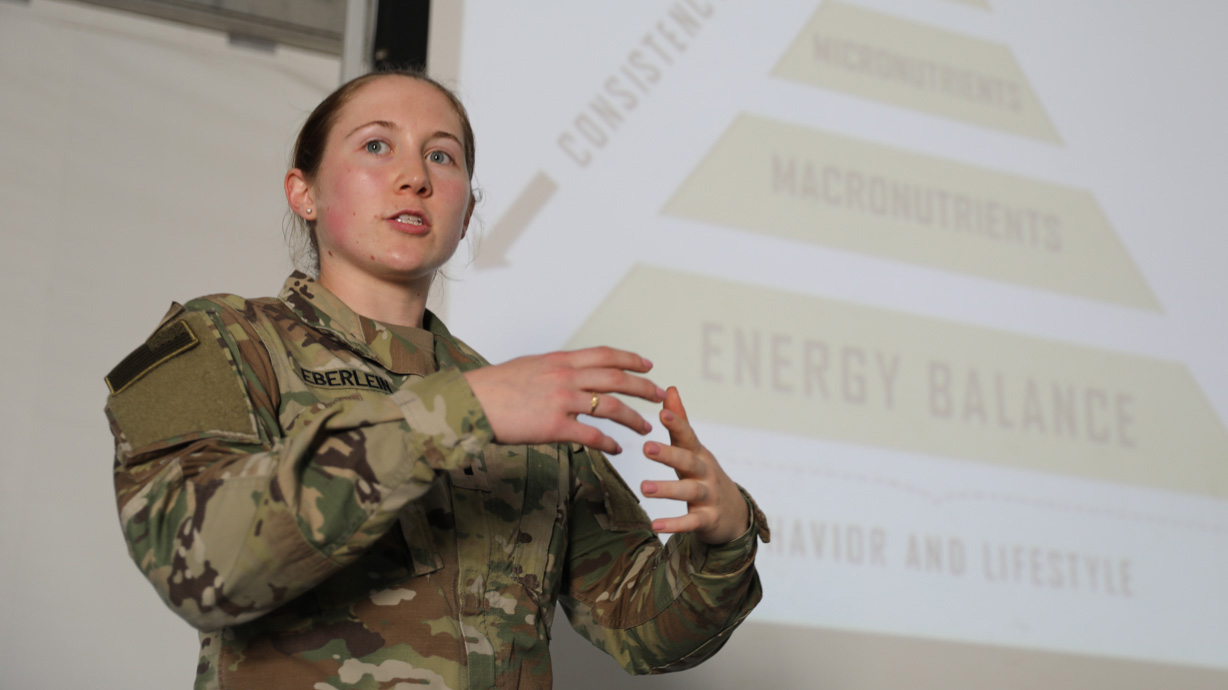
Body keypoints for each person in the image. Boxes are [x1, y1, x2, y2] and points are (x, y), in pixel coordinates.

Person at [104, 69, 769, 690]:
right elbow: (197, 565)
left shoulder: (522, 399)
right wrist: (453, 414)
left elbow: (640, 630)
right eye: (375, 146)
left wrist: (724, 538)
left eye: (442, 157)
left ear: (466, 211)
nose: (414, 178)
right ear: (302, 191)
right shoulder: (226, 339)